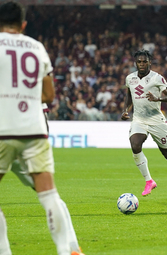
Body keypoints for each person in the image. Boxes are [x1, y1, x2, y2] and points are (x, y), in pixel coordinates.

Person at [0, 2, 84, 255]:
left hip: (2, 129)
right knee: (48, 194)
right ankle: (67, 249)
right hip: (34, 129)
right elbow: (49, 94)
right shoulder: (37, 47)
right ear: (23, 24)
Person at [121, 49, 167, 199]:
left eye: (145, 61)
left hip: (156, 120)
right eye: (139, 62)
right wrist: (126, 110)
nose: (142, 64)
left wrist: (158, 99)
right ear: (135, 63)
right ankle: (149, 181)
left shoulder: (157, 78)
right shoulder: (130, 78)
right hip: (139, 120)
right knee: (135, 145)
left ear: (149, 62)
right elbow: (129, 95)